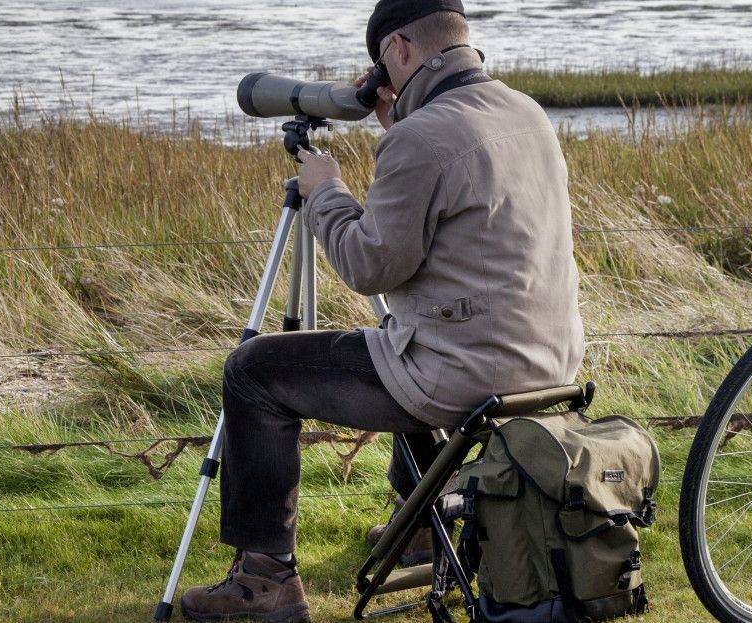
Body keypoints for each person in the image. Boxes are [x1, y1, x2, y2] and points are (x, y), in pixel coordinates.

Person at [177, 1, 583, 620]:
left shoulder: (422, 138)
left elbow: (369, 266)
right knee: (399, 337)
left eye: (379, 64)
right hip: (548, 364)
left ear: (398, 49)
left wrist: (325, 192)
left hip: (463, 375)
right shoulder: (526, 112)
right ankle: (423, 529)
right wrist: (398, 130)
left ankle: (266, 582)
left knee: (253, 371)